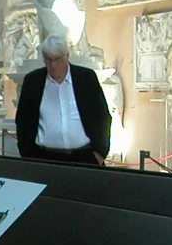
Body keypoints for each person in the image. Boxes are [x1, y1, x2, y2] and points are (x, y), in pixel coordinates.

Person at [15, 34, 111, 165]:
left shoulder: (86, 78)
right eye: (49, 60)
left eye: (58, 60)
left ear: (67, 56)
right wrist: (27, 154)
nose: (53, 66)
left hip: (85, 157)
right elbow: (23, 120)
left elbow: (102, 116)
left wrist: (100, 153)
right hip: (44, 158)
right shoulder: (33, 81)